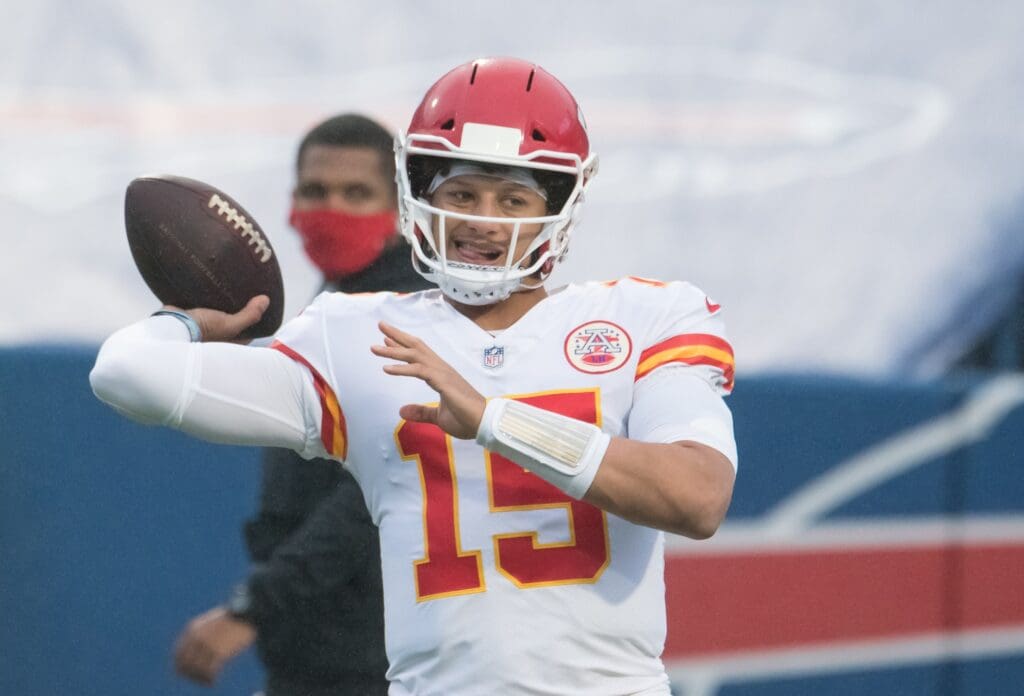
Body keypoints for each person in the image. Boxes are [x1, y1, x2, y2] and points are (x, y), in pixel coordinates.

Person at [91, 57, 738, 695]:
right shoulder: (351, 333)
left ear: (562, 204)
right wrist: (188, 324)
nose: (483, 220)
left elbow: (697, 498)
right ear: (422, 196)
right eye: (461, 194)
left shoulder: (648, 315)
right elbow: (127, 375)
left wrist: (492, 419)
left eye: (513, 198)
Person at [171, 113, 432, 695]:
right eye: (315, 191)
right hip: (321, 649)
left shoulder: (404, 315)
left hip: (373, 654)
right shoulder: (338, 297)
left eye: (356, 193)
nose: (331, 207)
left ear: (400, 208)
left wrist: (251, 607)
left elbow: (376, 489)